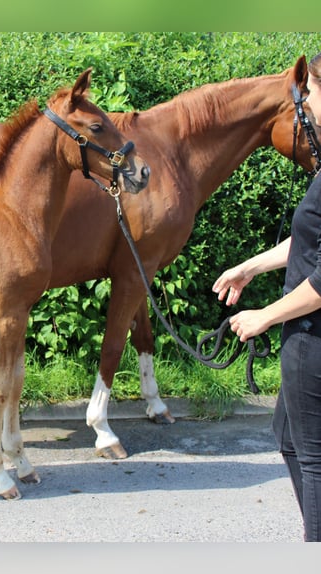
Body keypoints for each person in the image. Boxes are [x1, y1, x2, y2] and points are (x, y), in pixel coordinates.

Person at [212, 51, 321, 542]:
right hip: (304, 333)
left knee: (313, 456)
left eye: (309, 95)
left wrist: (266, 317)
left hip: (313, 338)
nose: (307, 106)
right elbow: (311, 239)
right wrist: (251, 266)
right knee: (289, 440)